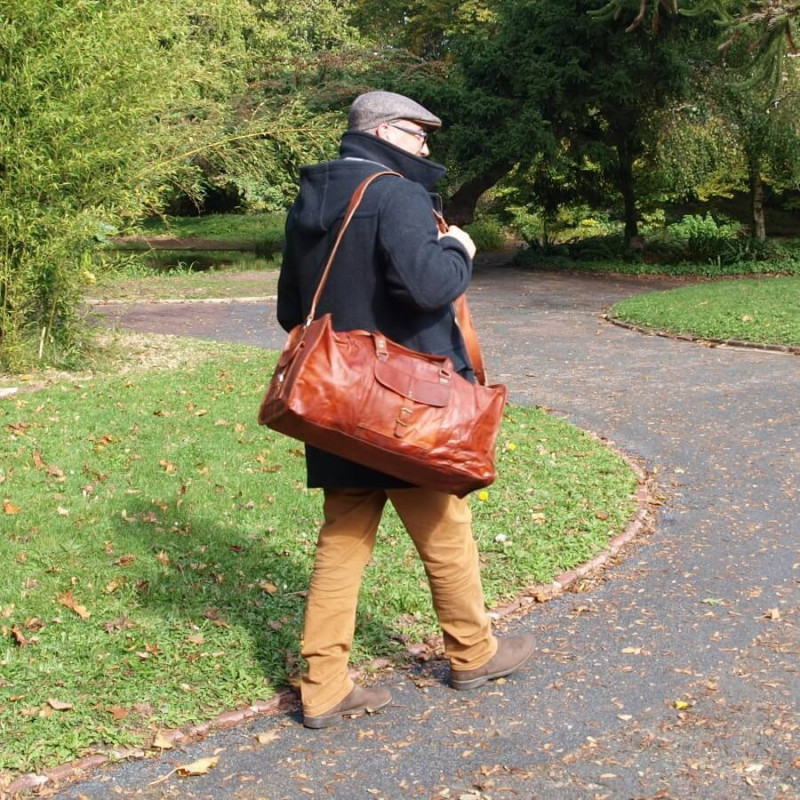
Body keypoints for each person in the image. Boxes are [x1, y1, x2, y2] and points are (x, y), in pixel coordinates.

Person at [277, 90, 535, 729]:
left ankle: (324, 685)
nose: (427, 151)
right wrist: (460, 251)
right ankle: (473, 654)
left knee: (342, 540)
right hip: (404, 406)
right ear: (389, 133)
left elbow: (292, 310)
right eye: (421, 138)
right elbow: (429, 286)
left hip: (335, 403)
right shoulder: (397, 194)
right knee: (446, 530)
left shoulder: (311, 199)